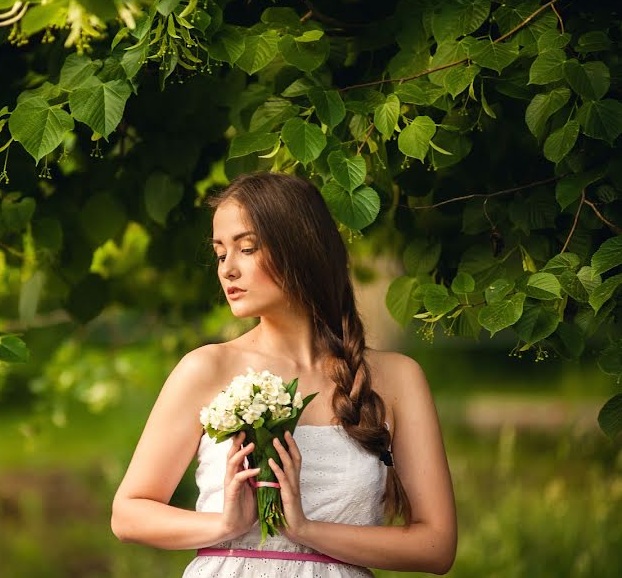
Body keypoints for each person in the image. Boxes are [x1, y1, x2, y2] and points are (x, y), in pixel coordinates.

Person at [111, 171, 457, 577]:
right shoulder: (206, 368)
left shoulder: (397, 378)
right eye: (221, 253)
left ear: (300, 249)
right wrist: (225, 525)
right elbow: (128, 514)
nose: (227, 270)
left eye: (247, 248)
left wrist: (307, 530)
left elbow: (435, 546)